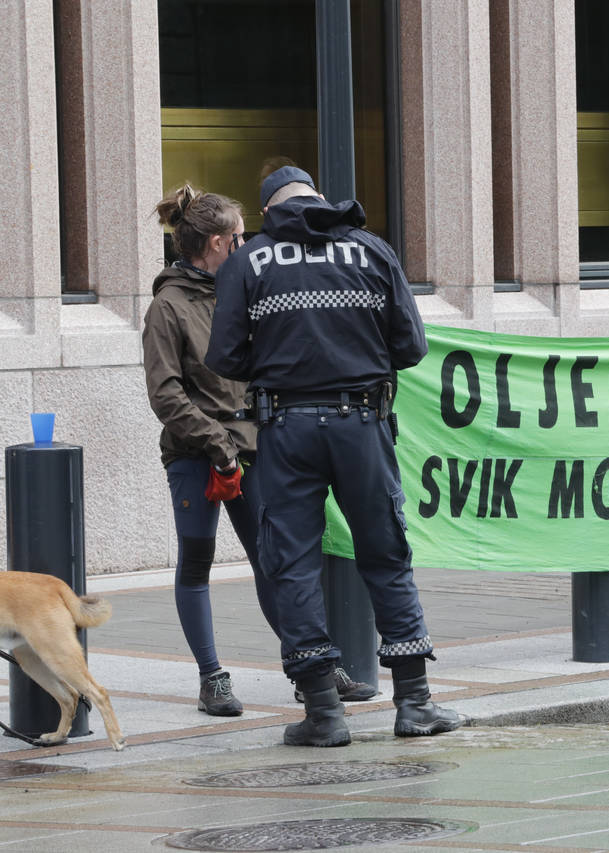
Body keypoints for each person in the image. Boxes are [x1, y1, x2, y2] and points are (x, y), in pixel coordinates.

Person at [205, 166, 462, 746]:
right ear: (317, 197)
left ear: (268, 211)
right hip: (362, 422)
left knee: (293, 563)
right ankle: (415, 705)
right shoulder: (371, 249)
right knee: (385, 553)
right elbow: (412, 346)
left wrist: (278, 367)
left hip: (285, 427)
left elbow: (223, 355)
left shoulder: (250, 262)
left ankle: (324, 714)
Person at [143, 185, 375, 718]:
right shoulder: (168, 306)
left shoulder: (244, 286)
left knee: (277, 563)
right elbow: (165, 393)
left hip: (252, 450)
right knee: (196, 565)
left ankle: (312, 667)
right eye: (242, 237)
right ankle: (212, 678)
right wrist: (215, 443)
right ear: (221, 242)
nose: (248, 244)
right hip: (194, 455)